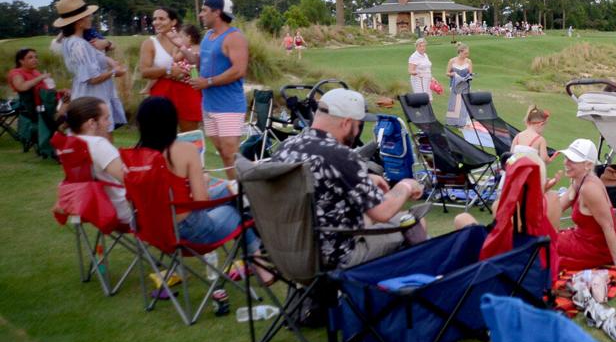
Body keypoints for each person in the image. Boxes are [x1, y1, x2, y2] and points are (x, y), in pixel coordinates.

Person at [271, 88, 427, 269]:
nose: (358, 130)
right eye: (358, 124)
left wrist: (363, 179)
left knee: (365, 218)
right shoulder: (340, 155)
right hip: (335, 256)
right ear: (346, 123)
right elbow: (382, 212)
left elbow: (316, 183)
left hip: (290, 252)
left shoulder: (286, 147)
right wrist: (406, 185)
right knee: (412, 221)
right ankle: (416, 288)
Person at [134, 96, 268, 280]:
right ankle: (261, 264)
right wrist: (202, 181)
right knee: (237, 206)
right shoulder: (184, 151)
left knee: (232, 189)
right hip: (190, 232)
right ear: (171, 121)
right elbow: (201, 201)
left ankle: (259, 254)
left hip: (154, 230)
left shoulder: (133, 158)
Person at [187, 0, 248, 178]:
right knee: (222, 152)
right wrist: (182, 48)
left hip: (229, 105)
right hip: (209, 105)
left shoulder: (234, 37)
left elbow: (239, 70)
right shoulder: (208, 36)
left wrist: (208, 82)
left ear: (217, 12)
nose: (200, 14)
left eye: (205, 10)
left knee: (232, 154)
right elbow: (200, 64)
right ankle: (233, 191)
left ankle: (244, 197)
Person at [547, 139, 616, 273]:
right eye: (566, 158)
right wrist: (546, 190)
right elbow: (556, 208)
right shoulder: (578, 181)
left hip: (594, 249)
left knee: (543, 247)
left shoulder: (590, 188)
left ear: (588, 165)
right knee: (541, 239)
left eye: (572, 160)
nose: (565, 162)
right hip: (581, 239)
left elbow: (608, 226)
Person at [54, 0, 125, 132]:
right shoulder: (79, 45)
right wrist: (115, 71)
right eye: (87, 15)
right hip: (92, 99)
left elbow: (101, 55)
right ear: (79, 22)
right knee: (98, 138)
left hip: (86, 95)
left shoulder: (71, 41)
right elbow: (93, 79)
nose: (91, 18)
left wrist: (107, 46)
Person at [62, 97, 131, 225]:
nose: (110, 123)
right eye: (106, 118)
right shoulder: (98, 144)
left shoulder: (69, 145)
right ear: (92, 123)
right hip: (122, 210)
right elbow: (129, 179)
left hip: (92, 208)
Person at [138, 8, 202, 131]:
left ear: (173, 22)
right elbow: (144, 71)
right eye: (155, 19)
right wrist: (168, 70)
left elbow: (197, 63)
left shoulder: (186, 40)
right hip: (162, 93)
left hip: (187, 91)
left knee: (190, 135)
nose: (156, 22)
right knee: (160, 135)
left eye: (162, 19)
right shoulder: (149, 43)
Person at [444, 42, 474, 127]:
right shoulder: (452, 61)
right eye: (465, 53)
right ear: (460, 52)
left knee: (464, 104)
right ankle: (453, 121)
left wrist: (469, 77)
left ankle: (463, 122)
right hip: (454, 85)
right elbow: (447, 73)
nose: (467, 55)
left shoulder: (469, 61)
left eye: (467, 53)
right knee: (454, 104)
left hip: (465, 86)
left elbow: (470, 74)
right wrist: (453, 74)